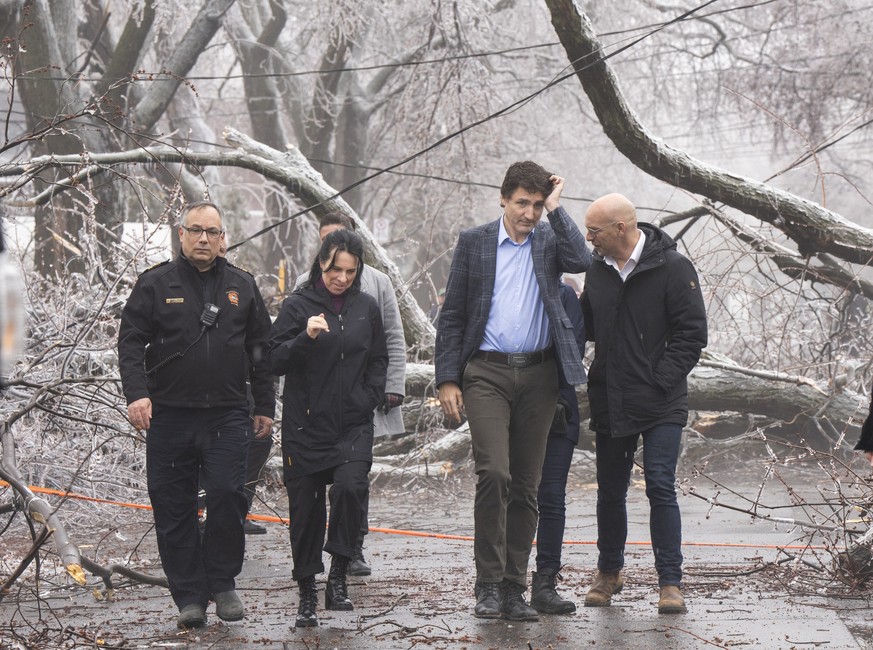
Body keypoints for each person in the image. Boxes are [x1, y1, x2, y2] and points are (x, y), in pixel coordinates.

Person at [435, 160, 591, 621]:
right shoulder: (475, 242)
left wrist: (559, 211)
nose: (529, 213)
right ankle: (486, 584)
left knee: (526, 485)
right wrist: (447, 377)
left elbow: (582, 261)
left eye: (538, 204)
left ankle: (513, 588)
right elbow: (454, 314)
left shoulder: (549, 240)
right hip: (486, 371)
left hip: (541, 375)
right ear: (503, 198)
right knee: (495, 474)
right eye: (522, 202)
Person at [118, 201, 275, 629]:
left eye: (212, 232)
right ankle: (189, 595)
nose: (204, 239)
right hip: (169, 416)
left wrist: (264, 405)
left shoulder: (242, 286)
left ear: (223, 238)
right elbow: (130, 341)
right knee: (173, 506)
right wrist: (137, 394)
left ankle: (222, 581)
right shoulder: (155, 283)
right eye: (195, 231)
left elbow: (260, 349)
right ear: (181, 234)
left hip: (227, 415)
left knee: (227, 494)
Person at [580, 193, 707, 614]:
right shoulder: (597, 271)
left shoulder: (672, 267)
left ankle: (670, 582)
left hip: (661, 400)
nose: (589, 238)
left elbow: (692, 335)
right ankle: (609, 572)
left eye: (594, 230)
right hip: (612, 396)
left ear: (621, 228)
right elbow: (586, 326)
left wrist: (660, 380)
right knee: (610, 491)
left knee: (659, 485)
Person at [270, 228, 388, 628]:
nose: (341, 278)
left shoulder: (367, 307)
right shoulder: (297, 304)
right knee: (305, 512)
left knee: (352, 489)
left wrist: (368, 397)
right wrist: (305, 337)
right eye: (335, 269)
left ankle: (338, 577)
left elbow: (378, 358)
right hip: (305, 427)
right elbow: (272, 360)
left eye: (350, 271)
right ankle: (307, 590)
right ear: (322, 263)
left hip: (352, 424)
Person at [293, 211, 407, 575]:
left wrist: (390, 386)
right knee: (319, 482)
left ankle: (352, 546)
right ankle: (314, 562)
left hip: (361, 400)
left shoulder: (377, 284)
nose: (341, 275)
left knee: (354, 478)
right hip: (317, 407)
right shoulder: (302, 287)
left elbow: (391, 336)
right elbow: (287, 348)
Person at [530, 279, 586, 615]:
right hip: (510, 406)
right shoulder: (503, 286)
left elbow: (574, 352)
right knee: (509, 492)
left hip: (558, 409)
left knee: (551, 496)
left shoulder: (565, 296)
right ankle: (501, 583)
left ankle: (545, 581)